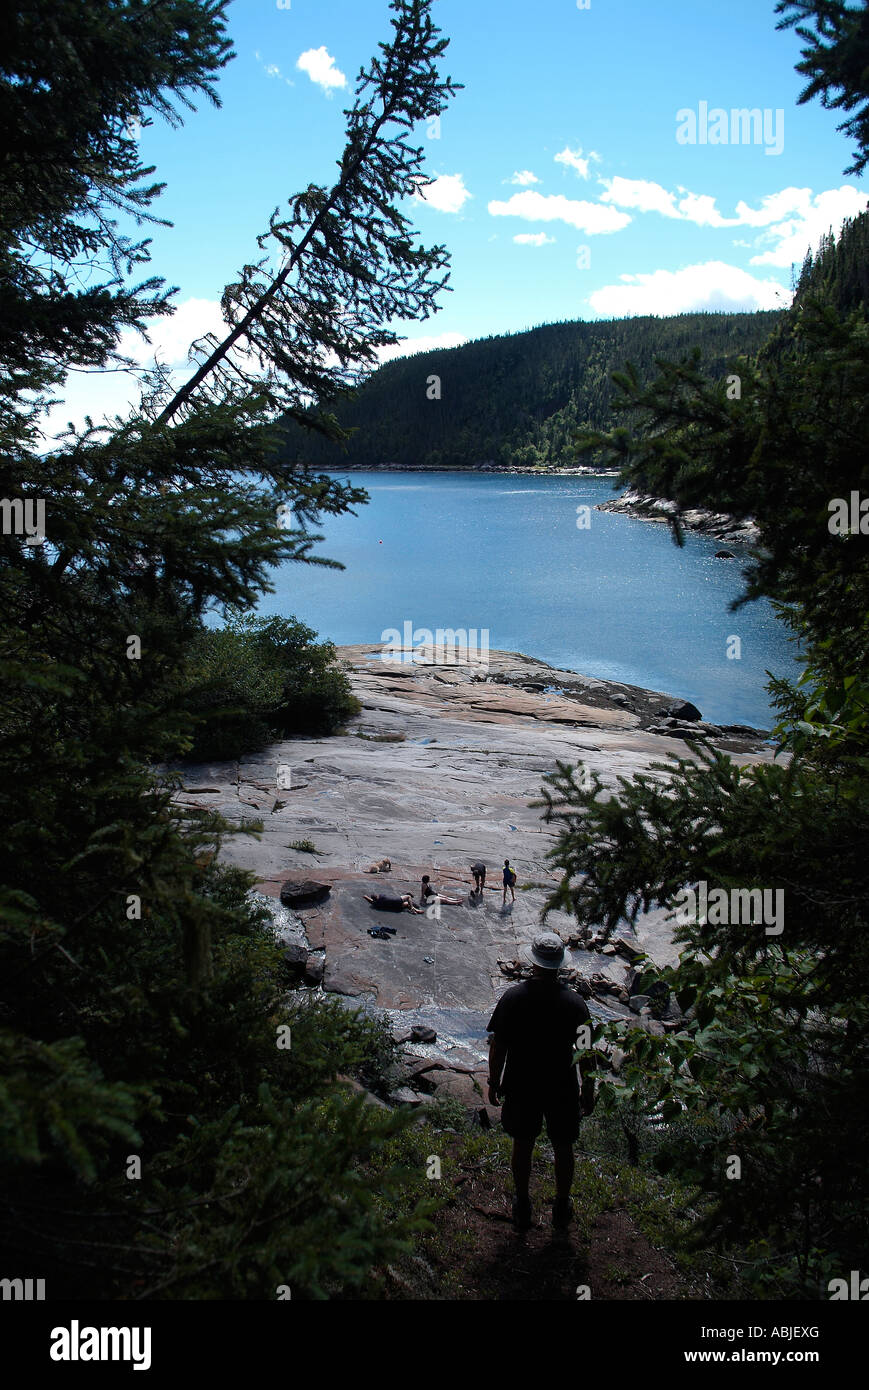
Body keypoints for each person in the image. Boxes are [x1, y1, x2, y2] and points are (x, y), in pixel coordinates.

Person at [486, 932, 596, 1231]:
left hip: (522, 1081)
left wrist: (493, 1081)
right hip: (561, 1083)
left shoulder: (513, 998)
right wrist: (589, 1089)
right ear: (559, 965)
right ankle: (562, 1205)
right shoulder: (575, 1004)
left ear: (533, 963)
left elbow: (499, 1046)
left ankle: (522, 1203)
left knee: (522, 1143)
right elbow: (586, 1051)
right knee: (563, 1145)